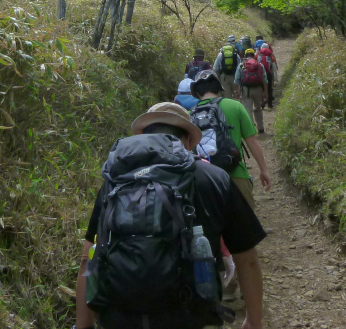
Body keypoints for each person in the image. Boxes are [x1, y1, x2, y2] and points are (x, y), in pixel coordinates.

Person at [75, 102, 266, 329]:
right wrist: (254, 320)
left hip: (120, 317)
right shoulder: (214, 178)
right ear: (186, 141)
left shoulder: (115, 181)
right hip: (191, 318)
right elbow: (247, 259)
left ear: (145, 136)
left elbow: (89, 258)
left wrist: (83, 324)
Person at [190, 71, 271, 209]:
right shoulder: (235, 106)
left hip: (206, 178)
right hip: (236, 173)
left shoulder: (191, 114)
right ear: (218, 88)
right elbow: (252, 141)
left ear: (197, 92)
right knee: (245, 223)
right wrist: (264, 170)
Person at [238, 49, 268, 134]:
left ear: (245, 56)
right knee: (258, 108)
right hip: (258, 89)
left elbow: (237, 80)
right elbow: (265, 80)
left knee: (248, 109)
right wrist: (265, 93)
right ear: (254, 55)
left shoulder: (241, 65)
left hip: (246, 90)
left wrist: (238, 91)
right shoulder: (260, 65)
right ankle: (261, 128)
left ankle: (251, 129)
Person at [256, 43, 277, 109]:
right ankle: (270, 105)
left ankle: (262, 103)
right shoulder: (270, 55)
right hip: (268, 74)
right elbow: (273, 65)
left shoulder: (257, 55)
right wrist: (275, 76)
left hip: (259, 74)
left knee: (261, 89)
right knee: (269, 89)